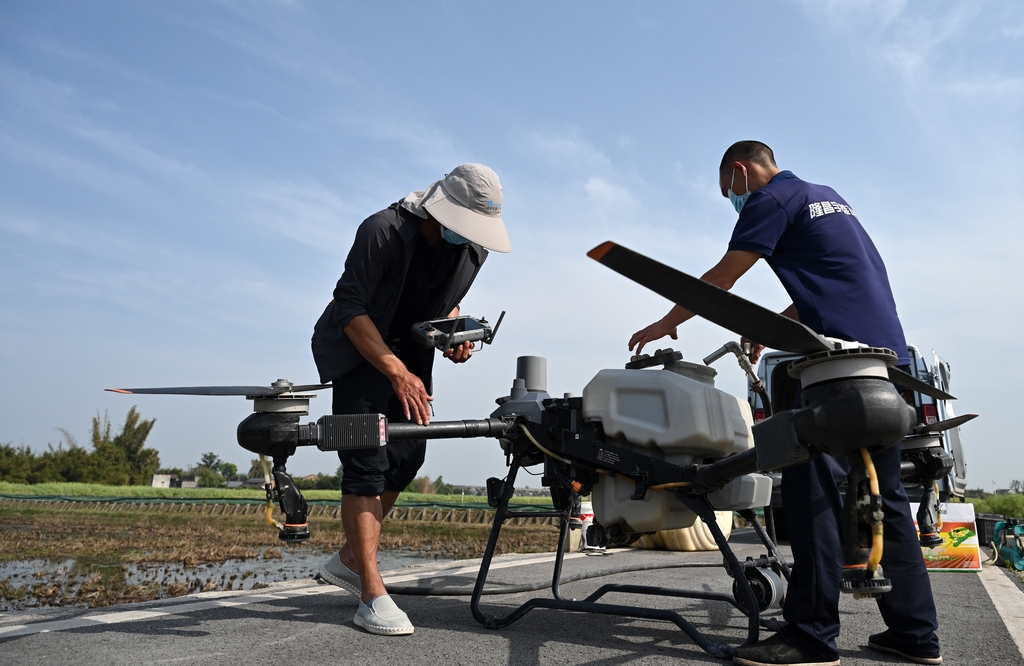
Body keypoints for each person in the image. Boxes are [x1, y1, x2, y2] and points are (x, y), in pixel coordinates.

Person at [629, 141, 941, 666]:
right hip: (888, 368)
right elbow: (833, 286)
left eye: (729, 191)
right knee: (886, 500)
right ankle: (916, 635)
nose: (734, 200)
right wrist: (775, 324)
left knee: (812, 492)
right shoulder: (829, 199)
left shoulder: (770, 198)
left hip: (837, 372)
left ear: (740, 171)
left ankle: (811, 638)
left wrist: (667, 323)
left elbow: (722, 280)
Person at [310, 163, 511, 636]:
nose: (470, 236)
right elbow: (349, 307)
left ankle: (349, 558)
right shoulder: (382, 230)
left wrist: (455, 335)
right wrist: (396, 372)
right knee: (366, 462)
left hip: (413, 356)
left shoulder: (473, 251)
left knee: (407, 458)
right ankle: (370, 593)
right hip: (362, 348)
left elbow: (445, 304)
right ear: (442, 209)